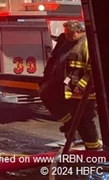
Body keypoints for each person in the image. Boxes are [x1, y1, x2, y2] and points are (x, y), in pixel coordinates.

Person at [39, 20, 102, 150]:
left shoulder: (87, 44)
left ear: (78, 31)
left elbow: (93, 70)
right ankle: (70, 124)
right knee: (48, 96)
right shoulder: (68, 42)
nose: (66, 34)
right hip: (68, 88)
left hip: (82, 92)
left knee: (85, 121)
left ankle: (93, 148)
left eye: (69, 32)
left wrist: (82, 86)